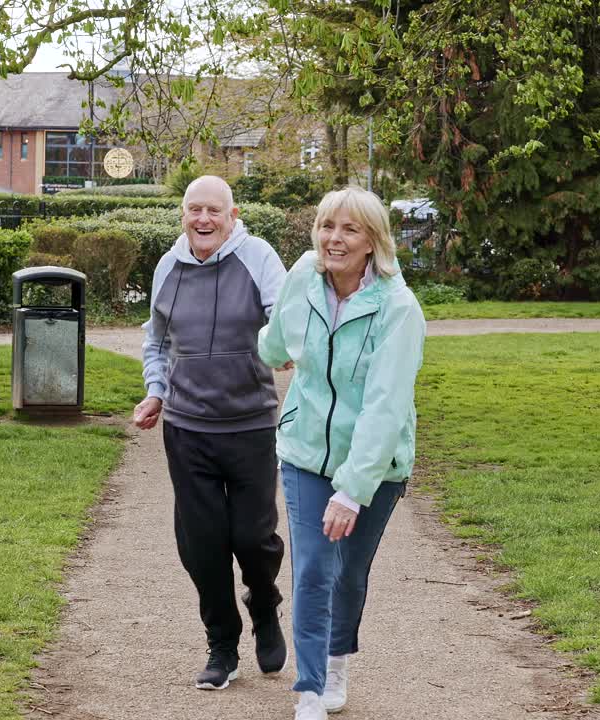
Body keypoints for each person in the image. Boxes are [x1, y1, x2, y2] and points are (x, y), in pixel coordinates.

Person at [257, 186, 426, 719]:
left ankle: (336, 662)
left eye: (350, 229)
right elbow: (275, 345)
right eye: (328, 225)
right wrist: (277, 346)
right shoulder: (304, 272)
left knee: (347, 572)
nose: (334, 238)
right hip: (307, 451)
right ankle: (308, 690)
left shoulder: (398, 308)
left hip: (375, 466)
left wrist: (352, 491)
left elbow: (385, 407)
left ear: (373, 241)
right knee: (310, 569)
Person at [132, 175, 289, 690]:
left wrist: (279, 343)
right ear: (183, 215)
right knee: (201, 543)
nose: (203, 220)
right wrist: (156, 391)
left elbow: (280, 319)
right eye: (193, 210)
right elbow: (156, 341)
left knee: (253, 537)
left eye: (213, 211)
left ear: (233, 215)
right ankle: (222, 644)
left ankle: (264, 604)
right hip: (187, 428)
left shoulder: (258, 256)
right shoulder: (169, 266)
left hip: (249, 426)